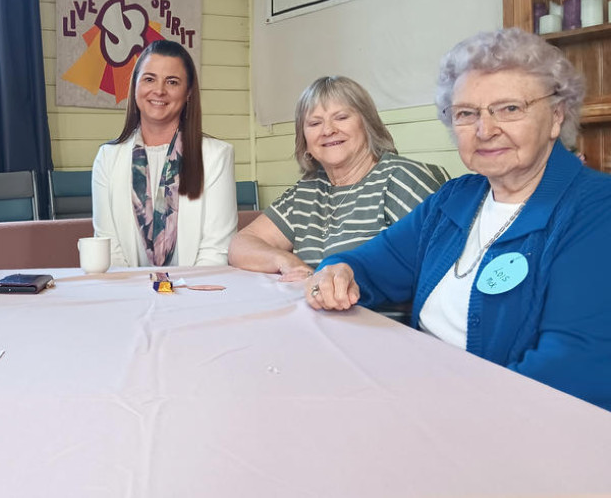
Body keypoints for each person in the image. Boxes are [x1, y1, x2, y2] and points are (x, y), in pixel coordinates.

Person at [306, 28, 611, 411]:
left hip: (506, 425)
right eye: (467, 114)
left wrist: (441, 407)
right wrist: (335, 272)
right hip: (421, 397)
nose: (485, 130)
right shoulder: (457, 197)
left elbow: (571, 370)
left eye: (510, 108)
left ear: (555, 116)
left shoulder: (597, 208)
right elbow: (366, 264)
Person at [229, 76, 448, 277]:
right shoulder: (308, 191)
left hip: (377, 317)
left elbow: (439, 267)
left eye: (341, 117)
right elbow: (242, 244)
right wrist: (287, 262)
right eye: (315, 123)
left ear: (367, 124)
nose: (328, 130)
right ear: (304, 139)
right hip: (317, 313)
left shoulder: (403, 179)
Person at [92, 39, 236, 267]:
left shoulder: (216, 156)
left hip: (197, 294)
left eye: (172, 82)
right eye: (149, 79)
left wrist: (187, 298)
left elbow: (217, 250)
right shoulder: (107, 158)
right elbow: (109, 250)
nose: (159, 90)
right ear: (135, 86)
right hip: (128, 294)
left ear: (188, 92)